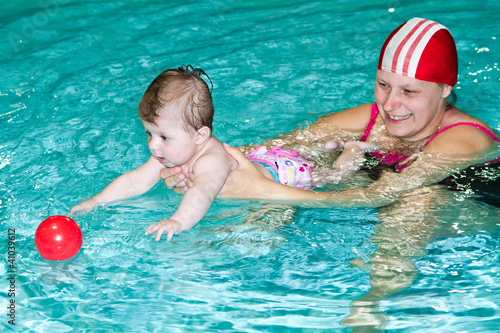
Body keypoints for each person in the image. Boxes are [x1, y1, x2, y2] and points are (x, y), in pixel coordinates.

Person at [160, 18, 500, 329]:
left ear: (444, 89)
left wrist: (262, 189)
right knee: (296, 167)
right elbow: (274, 147)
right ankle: (232, 250)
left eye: (409, 91)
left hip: (465, 203)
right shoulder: (368, 119)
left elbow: (381, 196)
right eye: (384, 85)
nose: (391, 105)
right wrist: (195, 164)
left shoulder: (464, 138)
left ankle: (372, 301)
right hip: (380, 185)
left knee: (418, 200)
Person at [69, 66, 377, 242]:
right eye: (148, 134)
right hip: (261, 159)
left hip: (287, 175)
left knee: (333, 175)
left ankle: (350, 149)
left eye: (163, 136)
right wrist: (97, 201)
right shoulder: (170, 150)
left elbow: (202, 192)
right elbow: (136, 181)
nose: (153, 145)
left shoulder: (211, 159)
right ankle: (326, 146)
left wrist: (177, 221)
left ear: (200, 135)